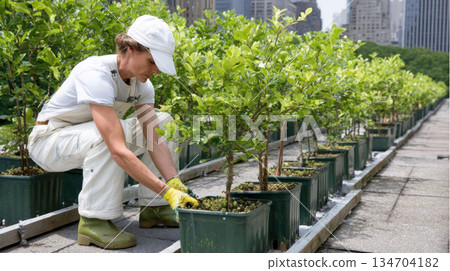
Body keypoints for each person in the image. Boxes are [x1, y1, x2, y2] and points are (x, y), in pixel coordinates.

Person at [28, 15, 198, 250]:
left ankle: (155, 209)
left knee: (162, 122)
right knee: (107, 137)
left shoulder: (143, 86)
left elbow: (153, 137)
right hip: (49, 141)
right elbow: (116, 148)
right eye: (151, 61)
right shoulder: (96, 72)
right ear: (129, 49)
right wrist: (168, 191)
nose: (156, 70)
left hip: (84, 137)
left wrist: (173, 183)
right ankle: (94, 221)